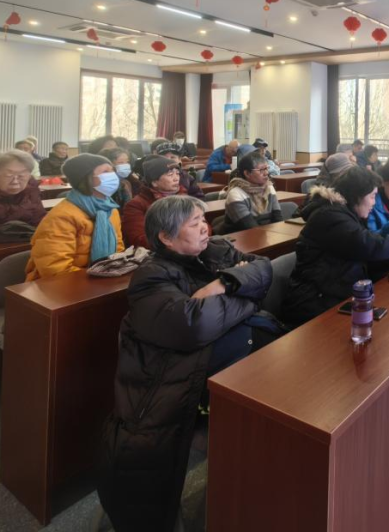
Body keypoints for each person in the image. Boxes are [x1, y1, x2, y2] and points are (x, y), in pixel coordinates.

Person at [97, 195, 275, 532]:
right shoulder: (151, 277)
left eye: (203, 220)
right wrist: (248, 299)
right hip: (185, 385)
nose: (206, 228)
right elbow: (195, 326)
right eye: (195, 223)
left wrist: (224, 283)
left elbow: (263, 268)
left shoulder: (213, 251)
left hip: (240, 362)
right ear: (166, 237)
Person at [281, 165, 389, 327]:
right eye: (372, 196)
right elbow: (366, 245)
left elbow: (364, 254)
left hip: (334, 294)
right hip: (314, 305)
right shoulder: (330, 216)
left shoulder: (346, 213)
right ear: (357, 195)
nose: (374, 203)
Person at [26, 153, 124, 280]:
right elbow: (55, 268)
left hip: (102, 278)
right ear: (86, 178)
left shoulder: (110, 209)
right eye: (106, 171)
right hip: (61, 285)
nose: (113, 175)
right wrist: (98, 280)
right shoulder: (62, 216)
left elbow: (118, 249)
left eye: (112, 170)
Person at [121, 156, 187, 249]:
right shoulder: (136, 205)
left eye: (177, 173)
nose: (176, 178)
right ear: (154, 182)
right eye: (170, 174)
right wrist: (177, 244)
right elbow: (137, 238)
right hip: (159, 252)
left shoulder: (185, 198)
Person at [224, 151, 282, 232]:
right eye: (261, 170)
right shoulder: (236, 194)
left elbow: (278, 220)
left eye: (267, 168)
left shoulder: (269, 187)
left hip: (267, 235)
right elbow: (251, 228)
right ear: (247, 173)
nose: (266, 173)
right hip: (242, 237)